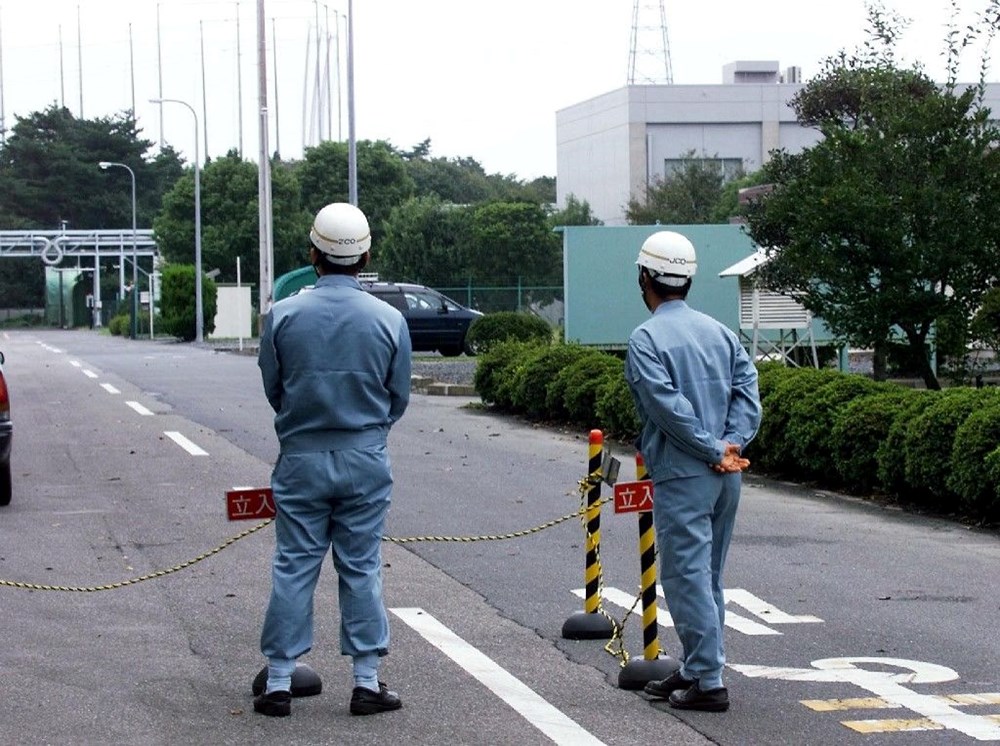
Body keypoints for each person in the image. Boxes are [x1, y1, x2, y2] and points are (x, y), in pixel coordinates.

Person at [254, 202, 412, 718]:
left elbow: (274, 388)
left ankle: (279, 681)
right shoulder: (389, 319)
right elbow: (399, 397)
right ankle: (366, 681)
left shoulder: (282, 315)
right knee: (362, 566)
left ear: (312, 254)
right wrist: (365, 428)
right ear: (365, 254)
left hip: (301, 456)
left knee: (294, 566)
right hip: (364, 456)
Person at [625, 230, 761, 713]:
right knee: (710, 577)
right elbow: (748, 391)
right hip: (728, 474)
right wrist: (731, 444)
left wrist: (708, 448)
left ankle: (708, 679)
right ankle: (696, 664)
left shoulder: (646, 339)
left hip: (685, 474)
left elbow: (667, 408)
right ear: (689, 280)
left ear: (645, 276)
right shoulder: (721, 333)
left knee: (685, 578)